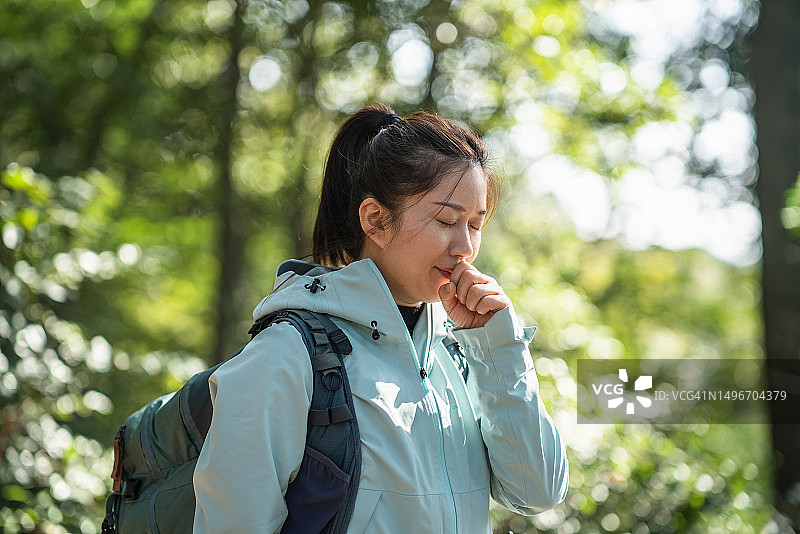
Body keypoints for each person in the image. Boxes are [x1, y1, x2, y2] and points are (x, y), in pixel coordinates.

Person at [192, 104, 568, 533]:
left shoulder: (463, 353)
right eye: (447, 220)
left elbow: (538, 493)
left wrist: (499, 349)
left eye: (475, 224)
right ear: (375, 219)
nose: (464, 245)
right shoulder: (285, 355)